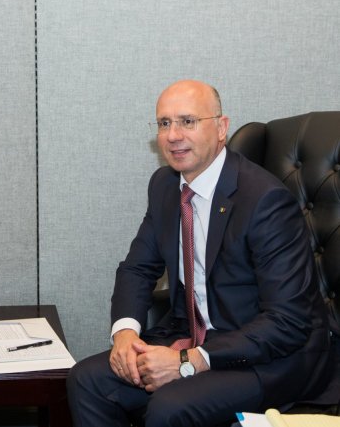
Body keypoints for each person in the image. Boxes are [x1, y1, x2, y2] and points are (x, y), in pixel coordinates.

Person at [66, 79, 332, 426]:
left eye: (187, 121)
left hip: (268, 356)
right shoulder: (164, 184)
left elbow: (287, 323)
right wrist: (126, 334)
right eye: (164, 123)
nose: (173, 135)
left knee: (169, 406)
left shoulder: (265, 201)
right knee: (87, 380)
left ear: (221, 128)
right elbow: (137, 269)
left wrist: (189, 361)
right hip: (191, 334)